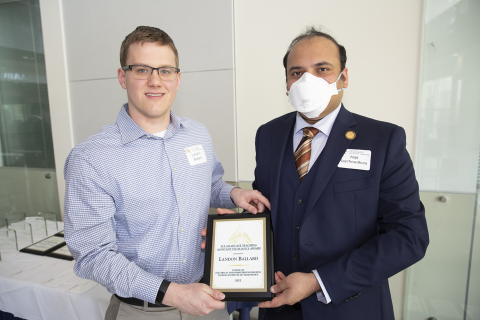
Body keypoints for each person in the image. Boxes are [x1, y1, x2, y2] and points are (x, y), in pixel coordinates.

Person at [63, 26, 270, 320]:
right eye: (142, 70)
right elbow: (94, 256)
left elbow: (209, 181)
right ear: (122, 76)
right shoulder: (91, 159)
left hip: (206, 302)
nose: (155, 81)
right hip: (141, 311)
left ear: (178, 78)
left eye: (165, 71)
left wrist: (233, 193)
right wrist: (173, 293)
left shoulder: (197, 134)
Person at [250, 27, 429, 319]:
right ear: (286, 83)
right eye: (297, 72)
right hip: (278, 307)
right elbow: (267, 211)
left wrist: (319, 281)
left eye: (322, 69)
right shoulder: (268, 135)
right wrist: (235, 229)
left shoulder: (383, 140)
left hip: (352, 308)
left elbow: (409, 236)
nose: (307, 80)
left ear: (343, 77)